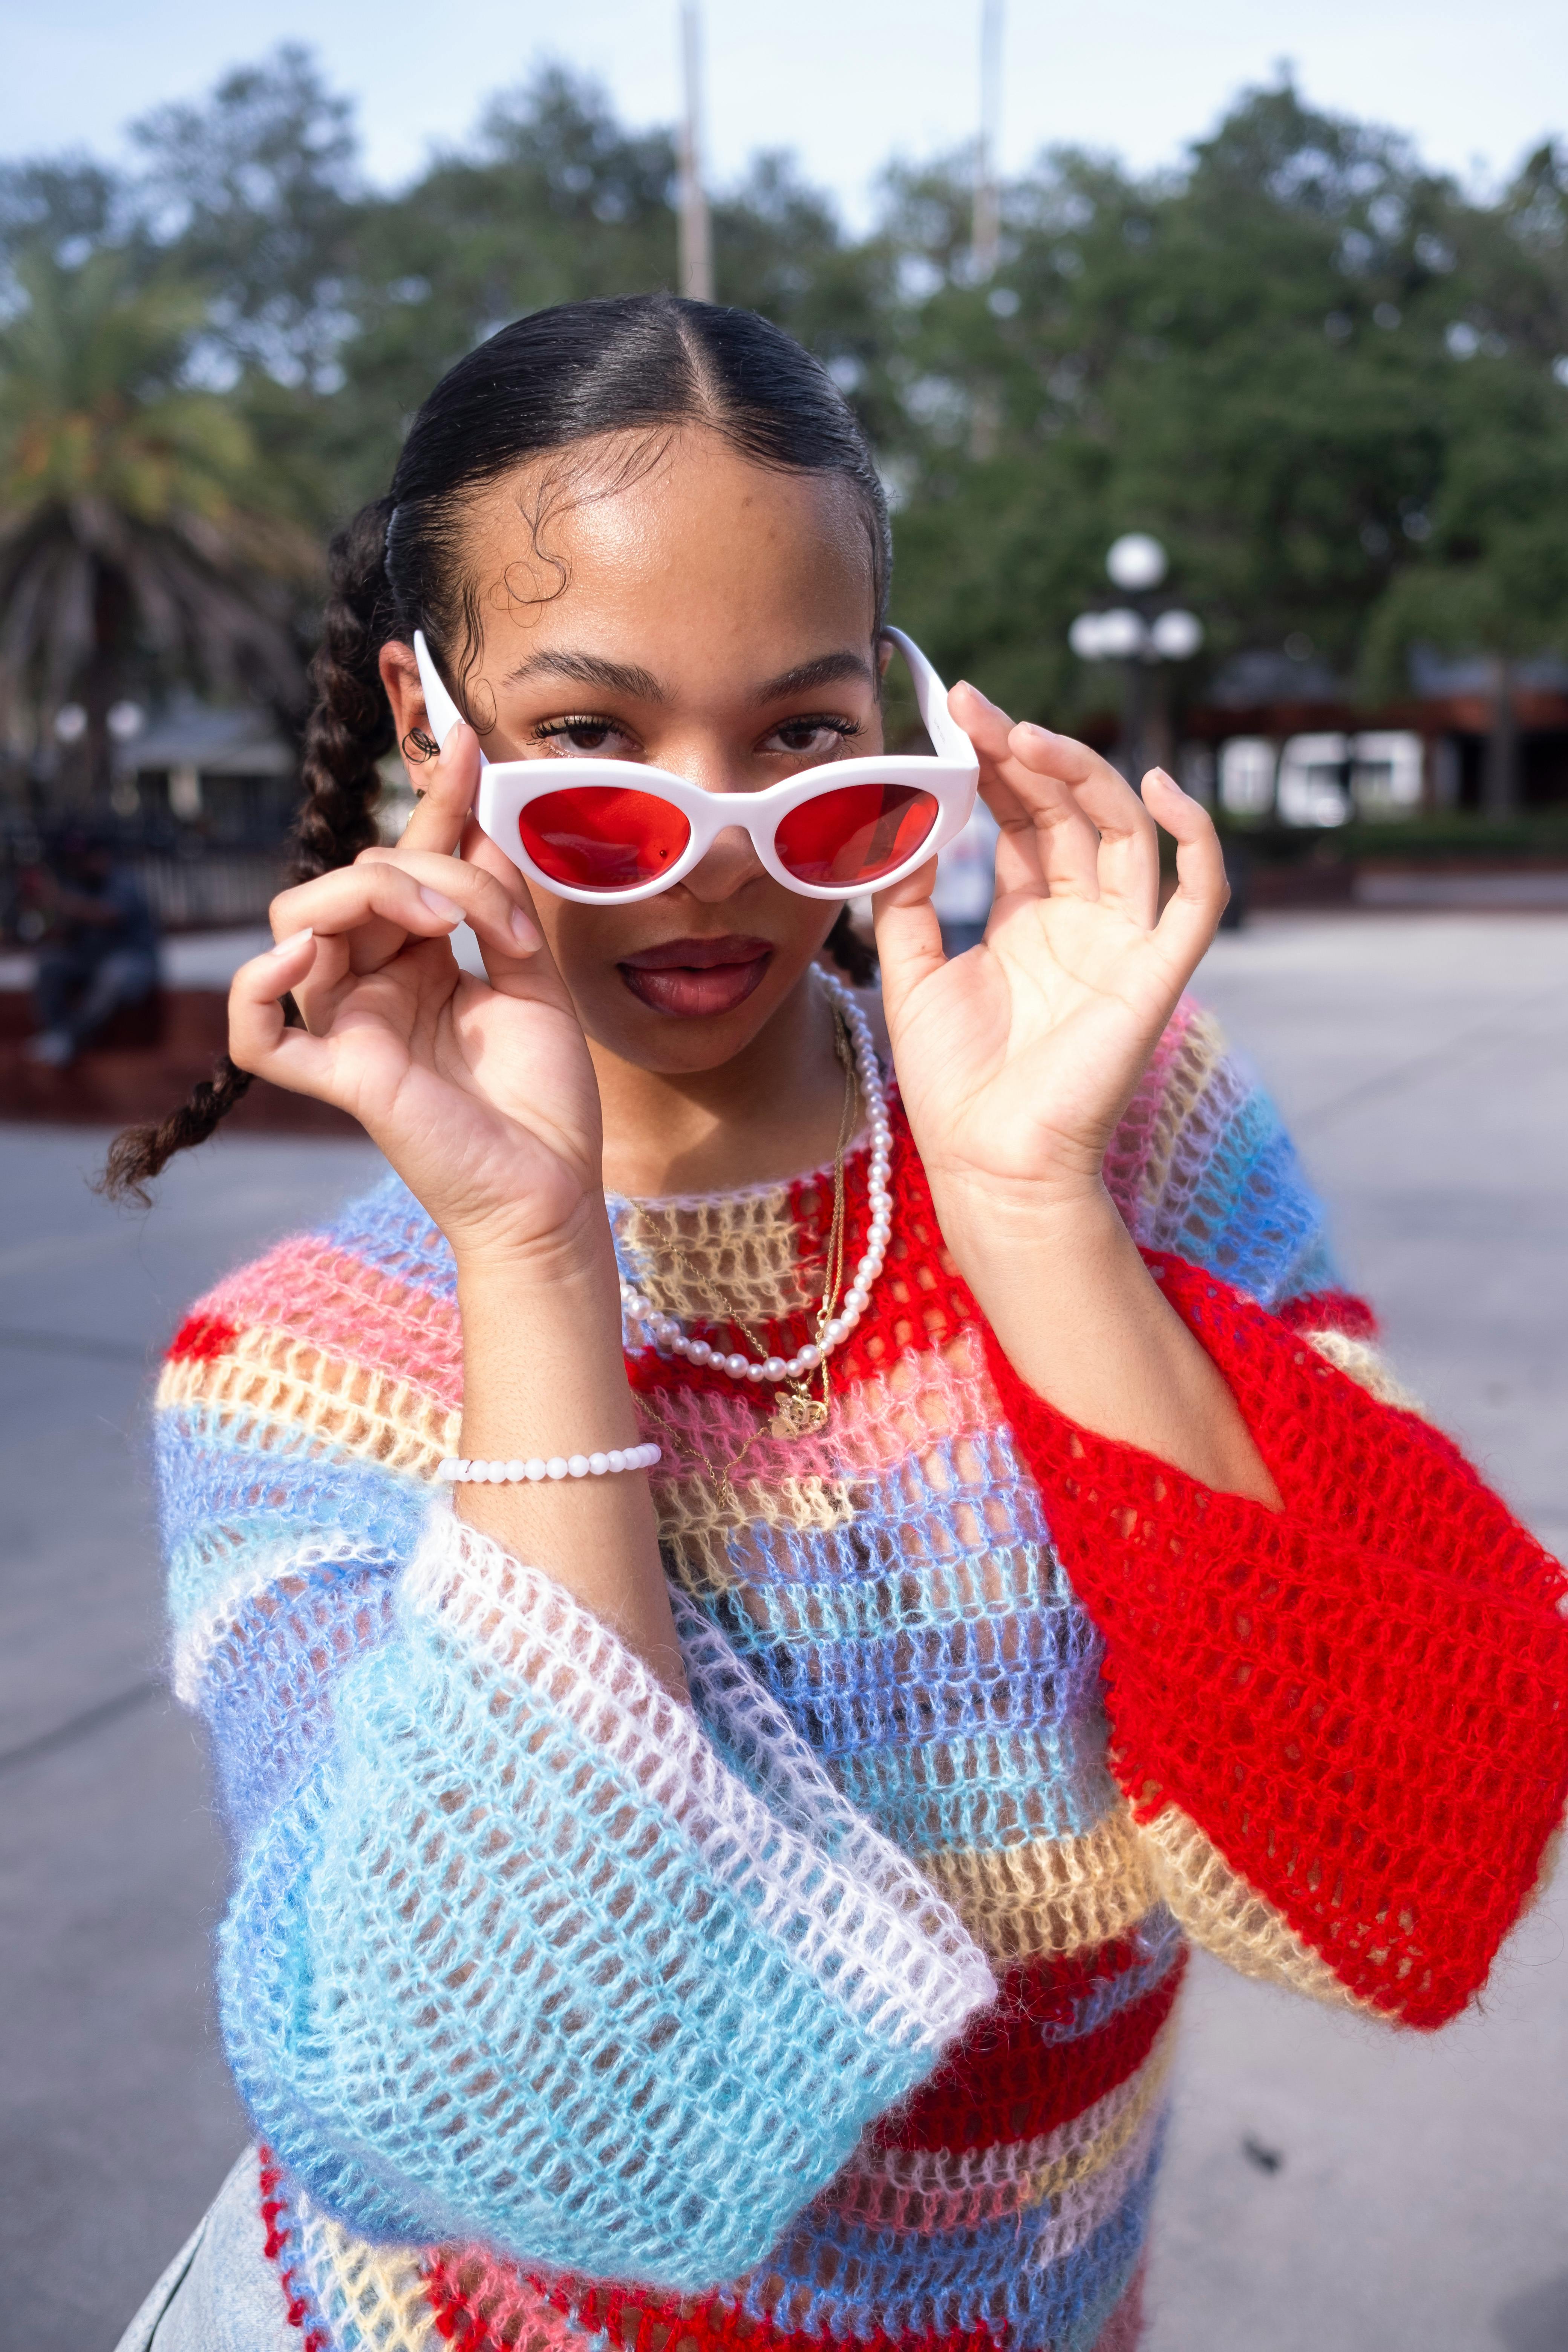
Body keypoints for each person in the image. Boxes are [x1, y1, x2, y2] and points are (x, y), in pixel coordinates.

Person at [107, 297, 1566, 2352]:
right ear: (429, 727)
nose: (706, 857)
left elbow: (1408, 1853)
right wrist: (531, 1260)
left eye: (800, 738)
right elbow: (500, 2110)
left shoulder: (1138, 1134)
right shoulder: (304, 1363)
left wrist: (1034, 1207)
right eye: (592, 746)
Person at [25, 831, 160, 1067]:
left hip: (135, 961)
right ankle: (56, 1034)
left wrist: (60, 900)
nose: (81, 864)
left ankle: (72, 1038)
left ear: (101, 856)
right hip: (92, 960)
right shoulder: (78, 883)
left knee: (114, 975)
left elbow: (108, 915)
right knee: (49, 965)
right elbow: (65, 935)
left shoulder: (123, 880)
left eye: (86, 858)